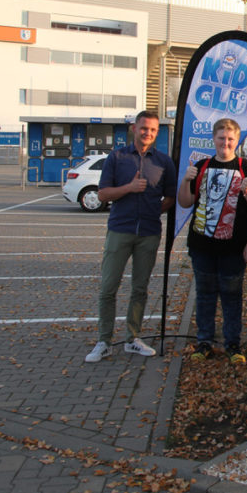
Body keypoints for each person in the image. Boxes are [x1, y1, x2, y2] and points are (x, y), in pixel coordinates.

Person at [85, 111, 176, 363]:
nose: (148, 133)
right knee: (108, 287)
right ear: (134, 128)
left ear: (157, 133)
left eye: (153, 130)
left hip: (148, 233)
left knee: (140, 288)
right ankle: (104, 341)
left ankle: (132, 338)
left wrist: (152, 211)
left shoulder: (164, 162)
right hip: (120, 230)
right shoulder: (117, 157)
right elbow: (103, 194)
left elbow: (170, 197)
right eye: (144, 128)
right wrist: (129, 188)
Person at [177, 118, 247, 363]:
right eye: (221, 138)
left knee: (231, 295)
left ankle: (232, 344)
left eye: (230, 139)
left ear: (237, 141)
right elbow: (185, 202)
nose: (225, 143)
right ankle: (204, 341)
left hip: (233, 247)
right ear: (214, 139)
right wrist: (186, 179)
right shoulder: (201, 166)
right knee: (205, 294)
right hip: (202, 245)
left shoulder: (246, 167)